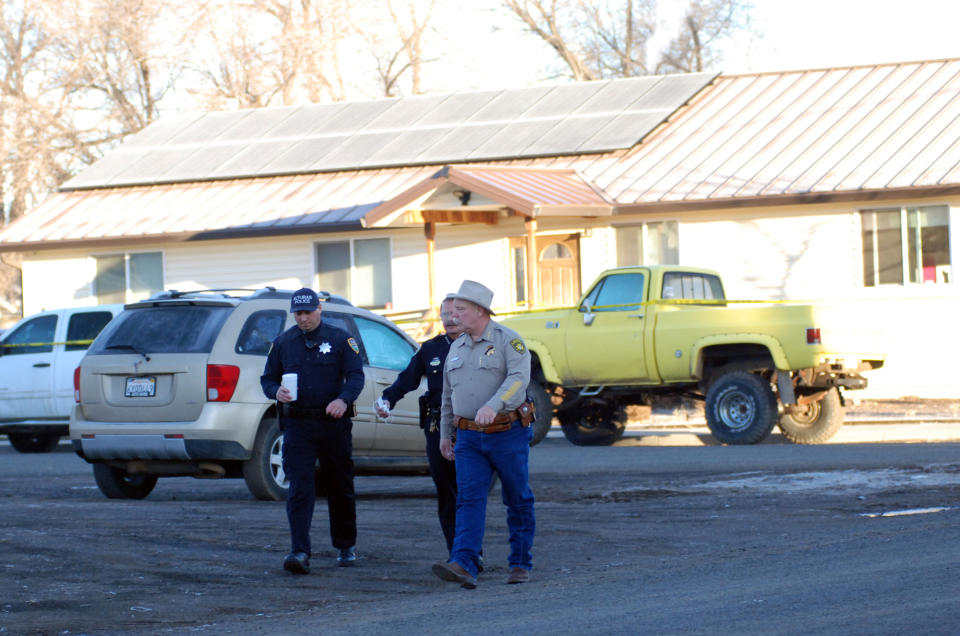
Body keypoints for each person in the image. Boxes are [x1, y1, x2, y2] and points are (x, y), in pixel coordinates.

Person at [432, 280, 535, 589]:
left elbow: (519, 379)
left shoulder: (509, 341)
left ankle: (519, 562)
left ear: (480, 311)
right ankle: (463, 563)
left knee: (516, 497)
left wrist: (494, 405)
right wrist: (445, 433)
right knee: (468, 499)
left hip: (507, 432)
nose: (454, 317)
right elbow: (448, 394)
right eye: (452, 311)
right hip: (468, 438)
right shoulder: (456, 347)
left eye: (460, 310)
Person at [260, 288, 364, 575]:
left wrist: (343, 399)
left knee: (340, 486)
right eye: (298, 313)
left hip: (333, 424)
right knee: (299, 488)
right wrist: (275, 391)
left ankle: (345, 546)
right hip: (298, 425)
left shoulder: (341, 339)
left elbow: (356, 376)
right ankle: (300, 551)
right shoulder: (284, 343)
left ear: (319, 309)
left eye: (308, 312)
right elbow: (267, 378)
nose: (303, 318)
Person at [375, 296, 463, 555]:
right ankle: (456, 552)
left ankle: (471, 549)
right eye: (445, 314)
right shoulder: (431, 349)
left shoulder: (480, 346)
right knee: (446, 492)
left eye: (456, 313)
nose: (451, 319)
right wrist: (387, 398)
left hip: (472, 426)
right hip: (438, 427)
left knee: (469, 491)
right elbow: (407, 379)